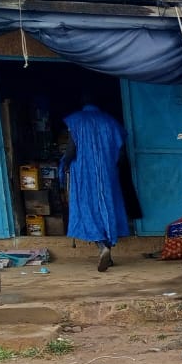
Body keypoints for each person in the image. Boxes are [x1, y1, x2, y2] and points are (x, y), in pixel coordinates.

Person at [60, 102, 130, 272]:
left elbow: (71, 150)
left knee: (88, 211)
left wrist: (64, 164)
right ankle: (108, 253)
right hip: (108, 174)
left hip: (84, 175)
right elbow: (121, 153)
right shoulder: (110, 121)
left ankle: (102, 247)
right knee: (108, 210)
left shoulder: (76, 121)